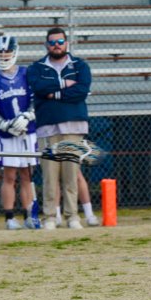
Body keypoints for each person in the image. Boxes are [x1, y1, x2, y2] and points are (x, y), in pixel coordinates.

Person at [26, 28, 90, 230]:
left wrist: (54, 93)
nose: (56, 45)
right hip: (47, 127)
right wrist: (64, 84)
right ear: (46, 45)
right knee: (50, 176)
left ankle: (72, 216)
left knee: (71, 174)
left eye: (60, 41)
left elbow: (81, 91)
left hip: (73, 125)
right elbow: (38, 87)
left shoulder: (80, 66)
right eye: (52, 42)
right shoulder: (36, 68)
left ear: (66, 43)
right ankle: (50, 217)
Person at [0, 35, 38, 230]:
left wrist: (27, 117)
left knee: (27, 175)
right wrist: (5, 125)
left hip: (27, 132)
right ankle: (9, 217)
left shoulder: (26, 74)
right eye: (0, 52)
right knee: (9, 176)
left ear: (15, 51)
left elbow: (35, 101)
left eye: (7, 51)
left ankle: (29, 214)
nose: (4, 55)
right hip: (7, 135)